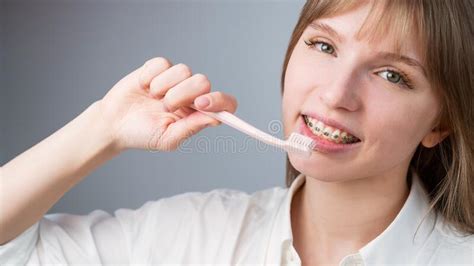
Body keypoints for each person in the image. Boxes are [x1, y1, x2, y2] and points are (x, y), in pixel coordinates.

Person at [1, 0, 473, 265]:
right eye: (323, 45)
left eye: (391, 75)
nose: (335, 94)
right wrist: (103, 128)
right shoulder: (194, 236)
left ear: (440, 122)